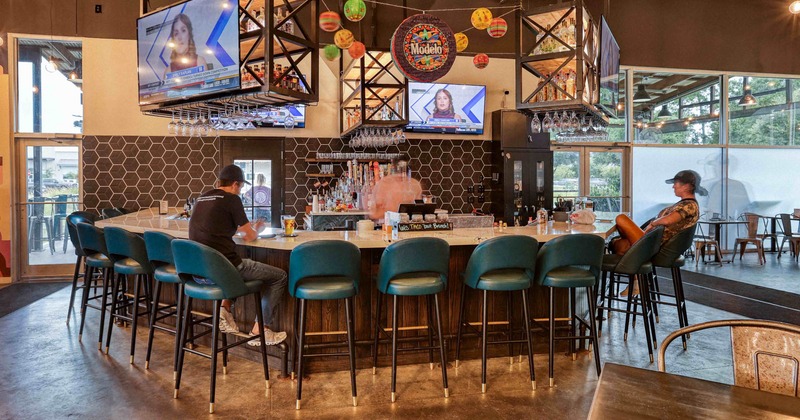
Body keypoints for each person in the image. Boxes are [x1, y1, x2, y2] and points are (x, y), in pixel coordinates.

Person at [189, 164, 287, 345]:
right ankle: (260, 330)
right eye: (241, 187)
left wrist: (242, 228)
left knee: (231, 269)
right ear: (235, 184)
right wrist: (257, 229)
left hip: (198, 273)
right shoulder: (231, 199)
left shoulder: (202, 198)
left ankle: (225, 310)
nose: (240, 191)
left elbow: (217, 227)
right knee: (279, 276)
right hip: (220, 272)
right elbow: (249, 237)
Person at [611, 170, 704, 295]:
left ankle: (637, 281)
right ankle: (637, 282)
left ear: (687, 186)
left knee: (621, 219)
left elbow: (670, 219)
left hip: (653, 246)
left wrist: (652, 224)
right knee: (620, 245)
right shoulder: (684, 204)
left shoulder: (690, 205)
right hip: (651, 243)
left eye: (676, 183)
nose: (673, 186)